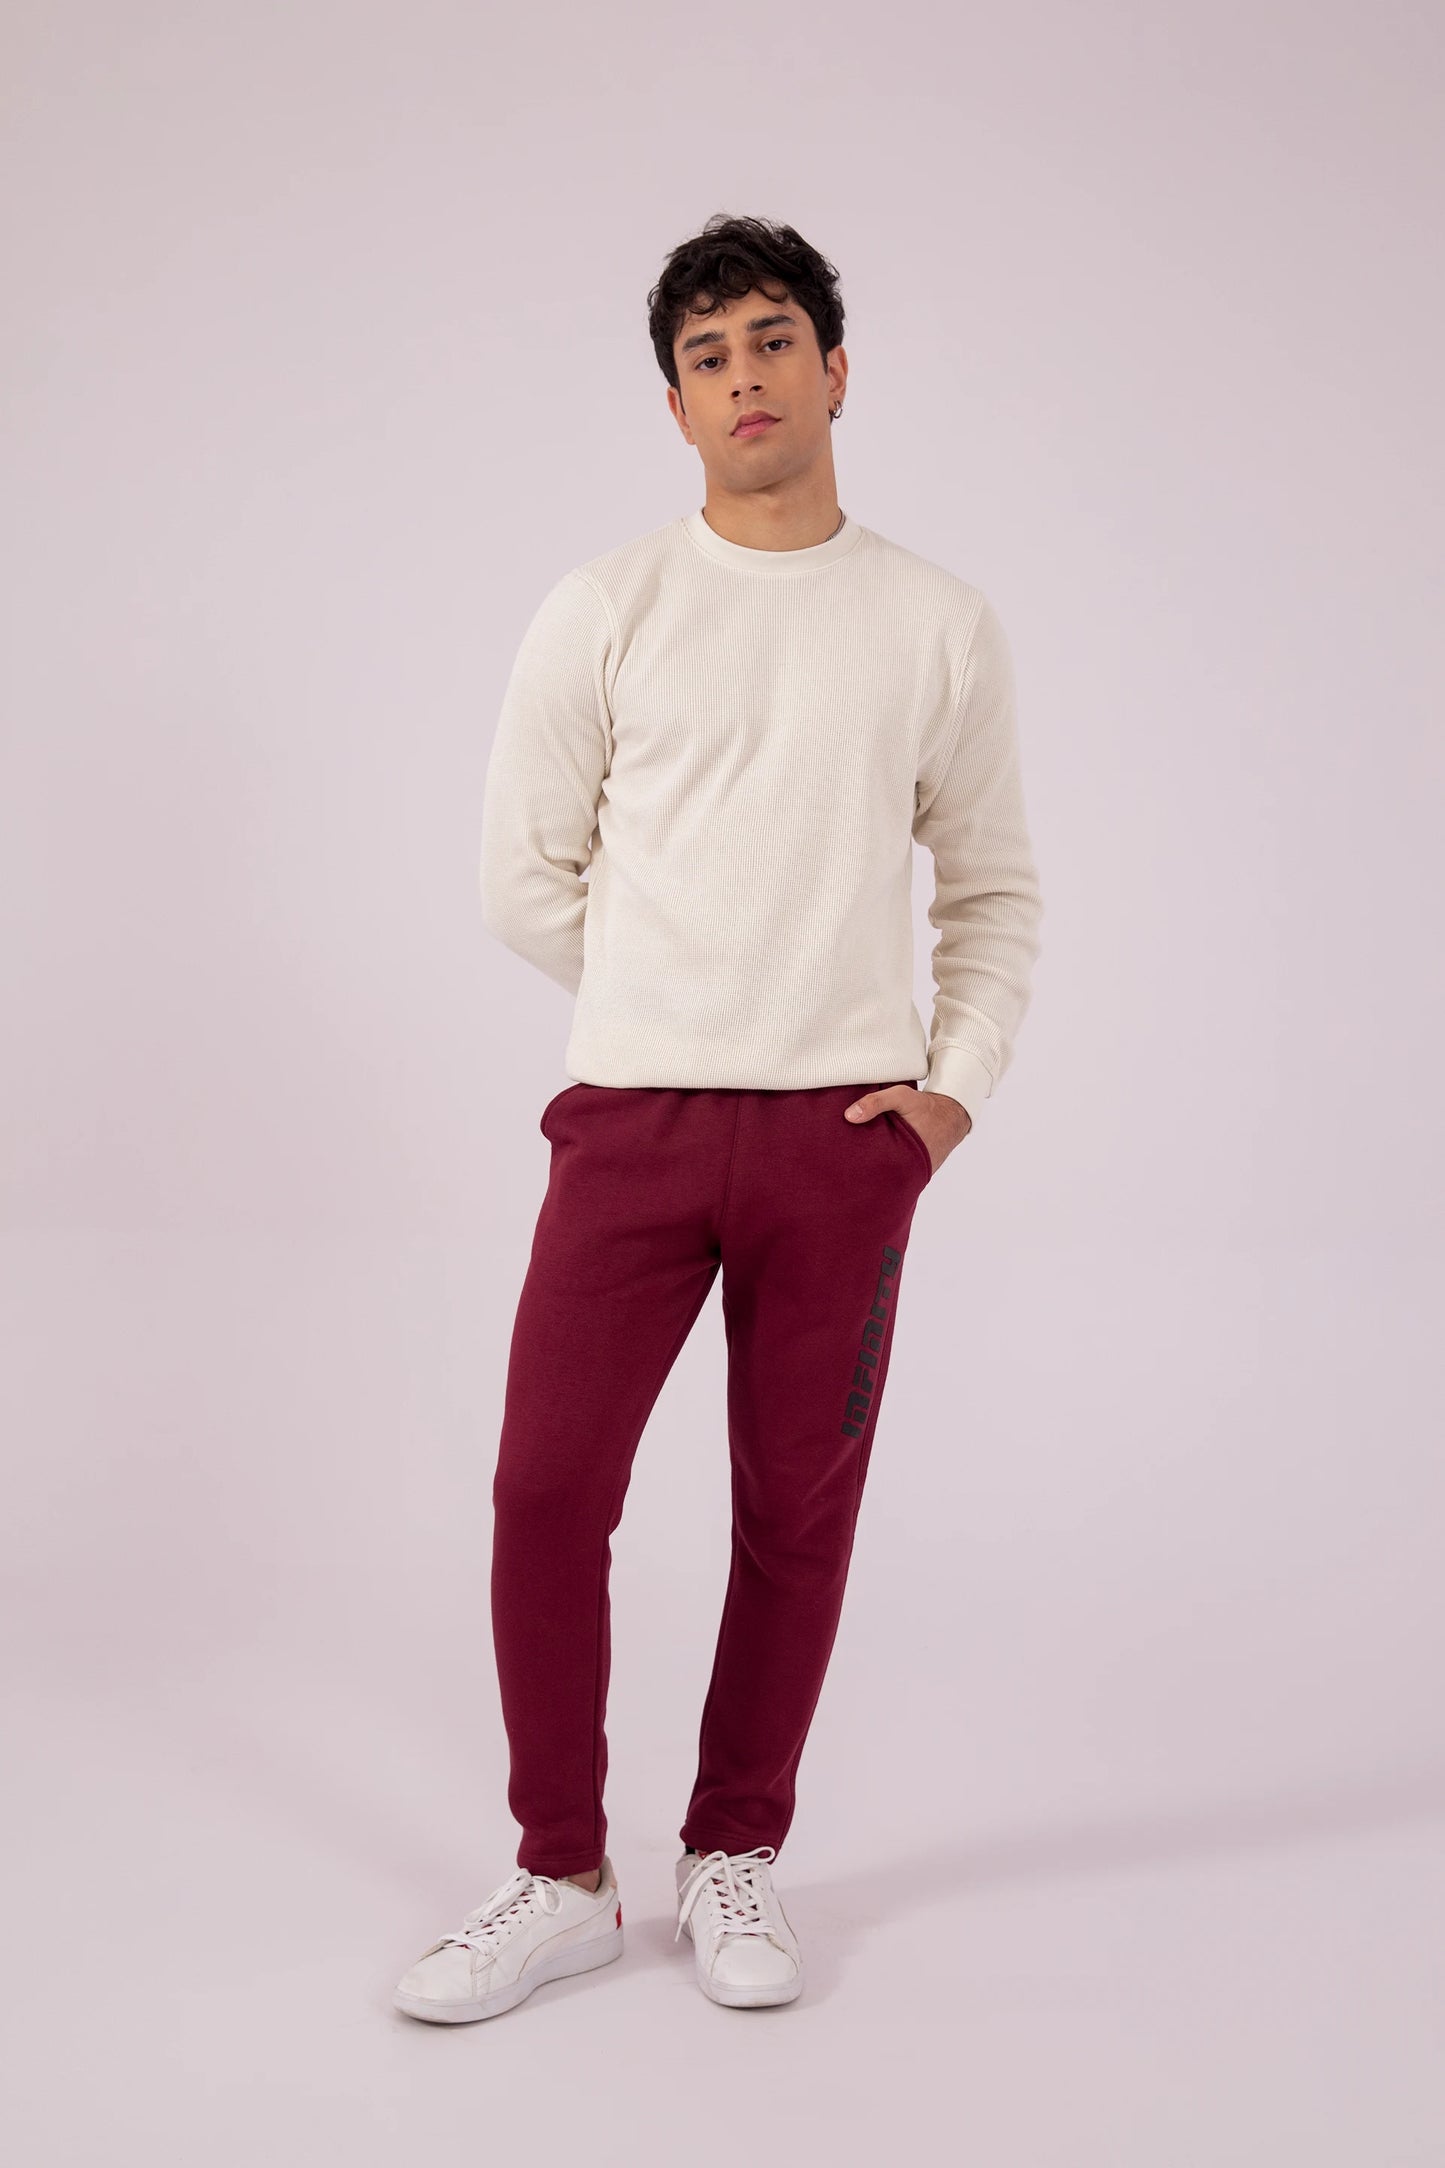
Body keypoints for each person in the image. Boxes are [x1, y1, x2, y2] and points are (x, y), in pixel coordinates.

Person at [393, 212, 1044, 2024]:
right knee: (545, 1491)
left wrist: (945, 1100)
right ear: (673, 406)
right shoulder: (607, 607)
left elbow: (992, 891)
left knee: (794, 1510)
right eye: (705, 357)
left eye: (770, 341)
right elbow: (522, 876)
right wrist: (672, 1000)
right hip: (633, 1126)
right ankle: (559, 1875)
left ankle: (733, 1848)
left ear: (834, 370)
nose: (742, 378)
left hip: (843, 1145)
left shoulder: (934, 623)